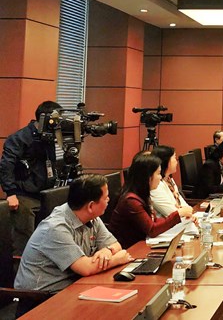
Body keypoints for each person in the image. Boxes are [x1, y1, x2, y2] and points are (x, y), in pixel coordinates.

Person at [14, 175, 133, 307]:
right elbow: (86, 268)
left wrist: (107, 250)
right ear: (91, 206)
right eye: (105, 198)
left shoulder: (91, 216)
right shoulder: (55, 228)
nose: (109, 200)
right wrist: (117, 259)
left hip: (74, 288)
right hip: (41, 300)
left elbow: (115, 245)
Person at [0, 100, 62, 256]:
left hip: (45, 193)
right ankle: (19, 269)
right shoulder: (20, 138)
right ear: (45, 118)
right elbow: (6, 165)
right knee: (24, 243)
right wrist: (10, 192)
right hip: (23, 195)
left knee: (46, 240)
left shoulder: (47, 137)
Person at [109, 154, 192, 248]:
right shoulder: (131, 200)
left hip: (141, 245)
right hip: (130, 249)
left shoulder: (142, 194)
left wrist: (182, 217)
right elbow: (152, 230)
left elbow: (154, 221)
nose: (160, 177)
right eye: (158, 173)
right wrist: (177, 214)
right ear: (148, 177)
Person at [149, 145, 192, 218]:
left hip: (182, 220)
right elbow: (172, 213)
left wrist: (189, 211)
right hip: (170, 223)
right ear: (166, 161)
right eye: (174, 158)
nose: (176, 161)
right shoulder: (156, 186)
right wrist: (186, 212)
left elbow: (183, 204)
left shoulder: (169, 180)